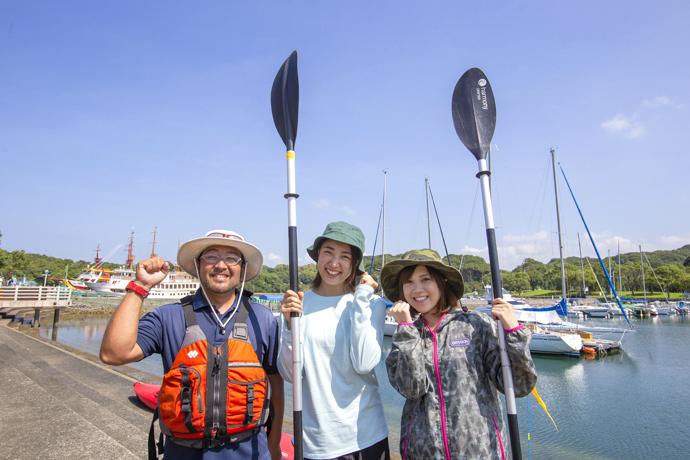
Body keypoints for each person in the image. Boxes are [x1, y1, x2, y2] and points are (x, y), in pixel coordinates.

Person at [100, 230, 284, 460]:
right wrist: (140, 286)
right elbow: (113, 354)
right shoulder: (169, 317)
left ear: (243, 268)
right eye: (211, 256)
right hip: (183, 452)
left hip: (250, 451)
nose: (221, 265)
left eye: (232, 258)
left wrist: (274, 442)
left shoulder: (263, 319)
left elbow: (275, 382)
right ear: (198, 265)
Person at [382, 249, 537, 460]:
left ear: (442, 282)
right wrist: (406, 329)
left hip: (481, 451)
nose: (417, 289)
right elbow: (412, 388)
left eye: (425, 279)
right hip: (421, 453)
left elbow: (519, 385)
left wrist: (513, 331)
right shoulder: (406, 333)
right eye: (408, 282)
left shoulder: (476, 325)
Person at [278, 221, 390, 460]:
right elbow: (291, 375)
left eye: (344, 256)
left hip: (365, 436)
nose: (334, 263)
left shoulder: (372, 304)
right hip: (315, 442)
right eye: (328, 252)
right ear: (317, 255)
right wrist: (289, 326)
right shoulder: (299, 304)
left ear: (355, 264)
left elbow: (364, 363)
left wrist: (360, 300)